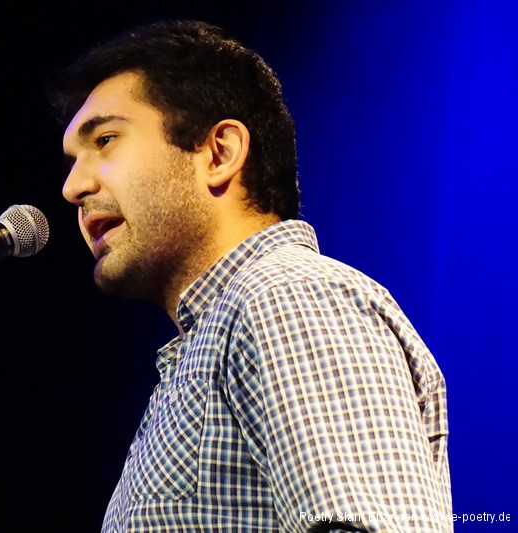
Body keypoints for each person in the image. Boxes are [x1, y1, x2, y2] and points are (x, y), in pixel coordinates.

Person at [50, 20, 451, 532]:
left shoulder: (289, 296)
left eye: (106, 139)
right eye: (72, 160)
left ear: (219, 153)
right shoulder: (213, 343)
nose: (73, 187)